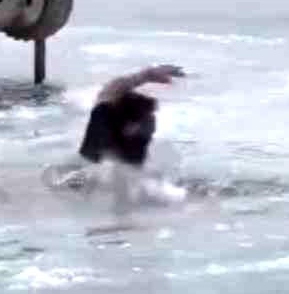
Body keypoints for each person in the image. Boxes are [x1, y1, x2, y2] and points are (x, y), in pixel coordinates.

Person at [47, 63, 187, 208]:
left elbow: (133, 162)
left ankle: (132, 192)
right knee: (96, 158)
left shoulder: (145, 122)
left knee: (128, 164)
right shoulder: (105, 111)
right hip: (107, 118)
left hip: (121, 118)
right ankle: (78, 180)